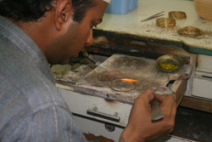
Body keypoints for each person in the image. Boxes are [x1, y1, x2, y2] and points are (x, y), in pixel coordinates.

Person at [0, 0, 176, 141]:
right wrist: (135, 137)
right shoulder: (41, 110)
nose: (90, 40)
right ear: (63, 13)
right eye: (92, 24)